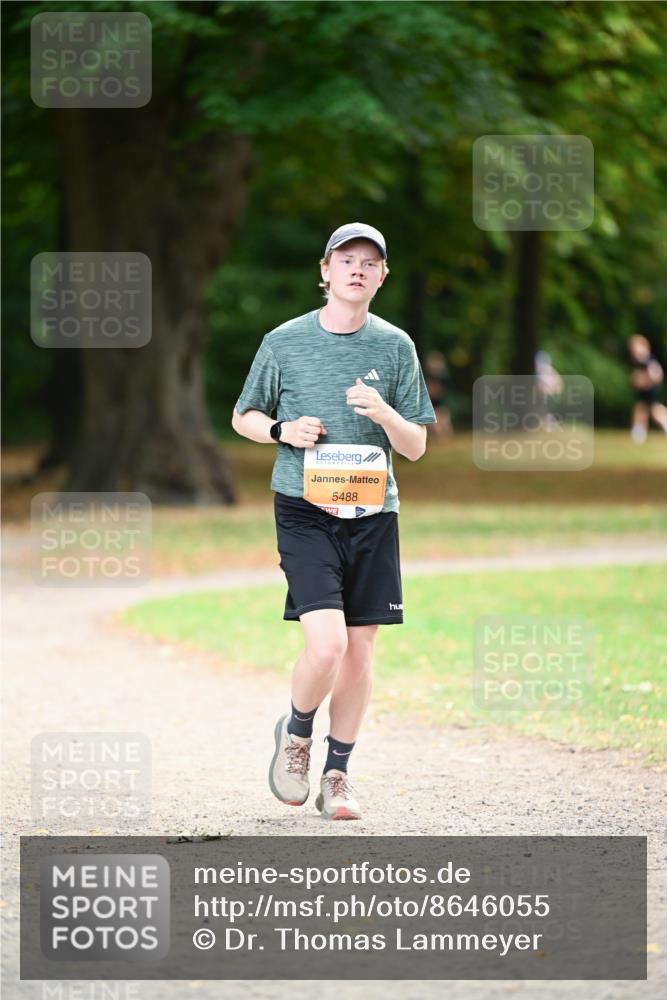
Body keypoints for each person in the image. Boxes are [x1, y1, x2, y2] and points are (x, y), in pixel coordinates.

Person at [231, 222, 436, 820]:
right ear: (325, 271)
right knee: (327, 643)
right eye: (345, 259)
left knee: (360, 653)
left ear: (382, 276)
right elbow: (244, 414)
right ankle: (296, 735)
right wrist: (281, 431)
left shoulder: (396, 346)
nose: (357, 269)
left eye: (369, 262)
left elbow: (418, 445)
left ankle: (338, 774)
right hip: (304, 508)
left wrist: (386, 413)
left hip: (373, 511)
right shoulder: (284, 341)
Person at [627, 334, 667, 442]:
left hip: (650, 390)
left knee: (653, 410)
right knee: (642, 409)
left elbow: (657, 375)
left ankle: (639, 433)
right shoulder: (640, 361)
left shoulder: (647, 359)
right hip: (646, 391)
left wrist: (644, 380)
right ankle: (639, 433)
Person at [423, 350, 452, 439]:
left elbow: (439, 392)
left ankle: (445, 438)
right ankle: (440, 438)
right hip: (431, 404)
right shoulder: (427, 376)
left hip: (440, 403)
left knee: (443, 421)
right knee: (436, 424)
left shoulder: (443, 377)